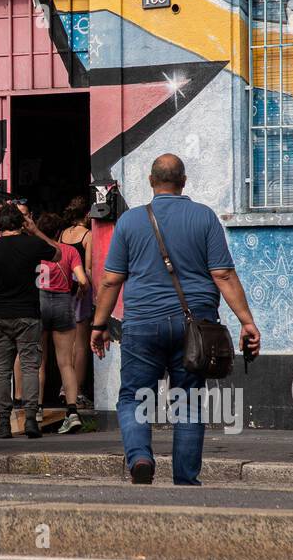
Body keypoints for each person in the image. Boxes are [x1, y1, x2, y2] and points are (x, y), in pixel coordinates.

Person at [91, 154, 261, 486]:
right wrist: (247, 322)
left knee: (133, 396)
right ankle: (185, 479)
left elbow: (111, 280)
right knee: (189, 400)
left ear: (151, 182)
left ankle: (140, 457)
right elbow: (223, 274)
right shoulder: (204, 217)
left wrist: (98, 325)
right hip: (194, 326)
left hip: (142, 324)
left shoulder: (130, 222)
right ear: (183, 182)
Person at [0, 203, 63, 440]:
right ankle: (31, 420)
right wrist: (35, 231)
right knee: (30, 366)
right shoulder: (33, 244)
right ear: (21, 223)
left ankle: (4, 424)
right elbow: (58, 253)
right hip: (28, 316)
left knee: (2, 371)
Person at [36, 212, 89, 434]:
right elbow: (83, 280)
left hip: (39, 303)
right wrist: (78, 294)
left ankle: (37, 409)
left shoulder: (33, 249)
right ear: (59, 232)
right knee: (65, 362)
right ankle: (72, 411)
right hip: (63, 304)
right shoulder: (70, 251)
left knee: (39, 360)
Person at [60, 195, 95, 408]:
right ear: (87, 214)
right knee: (81, 342)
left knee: (66, 341)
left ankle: (65, 387)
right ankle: (77, 391)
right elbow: (88, 267)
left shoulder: (63, 233)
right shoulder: (88, 235)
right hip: (80, 286)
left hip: (64, 286)